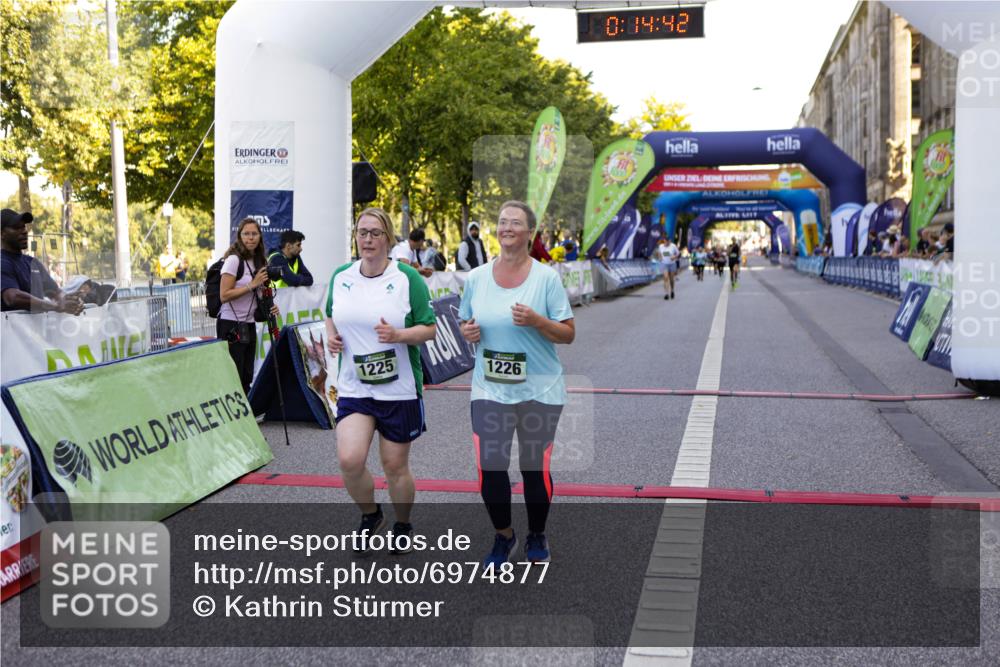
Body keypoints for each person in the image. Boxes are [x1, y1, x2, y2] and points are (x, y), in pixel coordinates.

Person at [458, 200, 575, 568]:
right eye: (502, 222)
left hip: (539, 389)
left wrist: (539, 320)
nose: (506, 227)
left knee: (532, 467)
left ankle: (537, 533)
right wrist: (469, 331)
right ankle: (503, 535)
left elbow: (568, 334)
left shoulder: (546, 278)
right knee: (490, 465)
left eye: (515, 223)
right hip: (489, 388)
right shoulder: (476, 278)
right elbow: (465, 323)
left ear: (529, 233)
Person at [325, 207, 437, 551]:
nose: (368, 239)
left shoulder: (407, 279)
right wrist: (332, 335)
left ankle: (402, 523)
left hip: (398, 388)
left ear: (388, 238)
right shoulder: (342, 276)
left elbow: (429, 329)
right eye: (362, 232)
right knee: (349, 460)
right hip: (354, 386)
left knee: (394, 467)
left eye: (375, 233)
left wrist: (398, 335)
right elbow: (329, 312)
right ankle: (371, 514)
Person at [217, 217, 280, 396]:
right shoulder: (233, 261)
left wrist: (270, 308)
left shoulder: (260, 261)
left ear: (260, 236)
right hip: (230, 323)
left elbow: (259, 295)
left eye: (254, 234)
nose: (250, 238)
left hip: (249, 323)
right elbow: (224, 295)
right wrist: (251, 284)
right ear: (239, 236)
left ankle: (246, 414)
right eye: (246, 234)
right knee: (233, 374)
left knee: (247, 374)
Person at [1, 209, 84, 315]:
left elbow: (56, 293)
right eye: (16, 228)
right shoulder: (2, 262)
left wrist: (70, 301)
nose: (24, 231)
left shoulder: (33, 263)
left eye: (23, 226)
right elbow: (12, 297)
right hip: (9, 330)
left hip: (38, 330)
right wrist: (55, 306)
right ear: (2, 233)